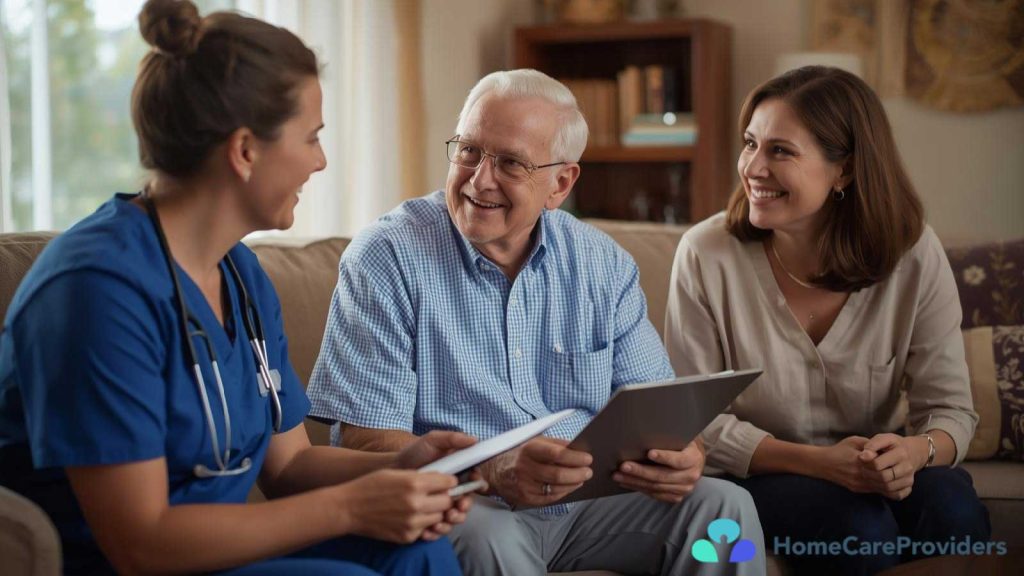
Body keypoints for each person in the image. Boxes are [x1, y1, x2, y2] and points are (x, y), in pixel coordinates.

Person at [0, 1, 477, 574]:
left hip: (217, 550)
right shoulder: (94, 292)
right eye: (312, 137)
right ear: (246, 150)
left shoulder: (240, 276)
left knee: (420, 550)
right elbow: (140, 542)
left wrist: (409, 463)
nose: (321, 162)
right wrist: (351, 507)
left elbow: (289, 468)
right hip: (121, 560)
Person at [305, 69, 765, 576]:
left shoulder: (602, 264)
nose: (480, 179)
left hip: (587, 505)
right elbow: (366, 441)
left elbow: (659, 406)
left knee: (723, 505)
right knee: (487, 533)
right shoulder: (388, 257)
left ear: (560, 183)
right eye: (468, 151)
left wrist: (686, 455)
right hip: (467, 502)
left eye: (510, 163)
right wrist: (488, 471)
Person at [664, 66, 991, 575]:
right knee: (860, 531)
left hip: (876, 466)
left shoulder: (914, 254)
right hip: (760, 473)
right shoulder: (706, 255)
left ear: (845, 171)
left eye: (780, 151)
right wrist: (819, 463)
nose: (753, 166)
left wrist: (914, 451)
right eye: (750, 144)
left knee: (953, 510)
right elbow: (695, 420)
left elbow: (950, 410)